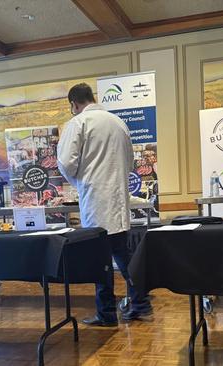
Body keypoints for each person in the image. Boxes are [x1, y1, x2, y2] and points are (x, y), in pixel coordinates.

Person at [57, 83, 152, 326]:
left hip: (96, 202)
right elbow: (130, 162)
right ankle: (140, 302)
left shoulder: (78, 123)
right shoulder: (118, 123)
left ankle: (107, 314)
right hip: (118, 201)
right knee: (124, 257)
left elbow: (66, 163)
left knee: (101, 261)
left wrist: (80, 182)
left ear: (74, 104)